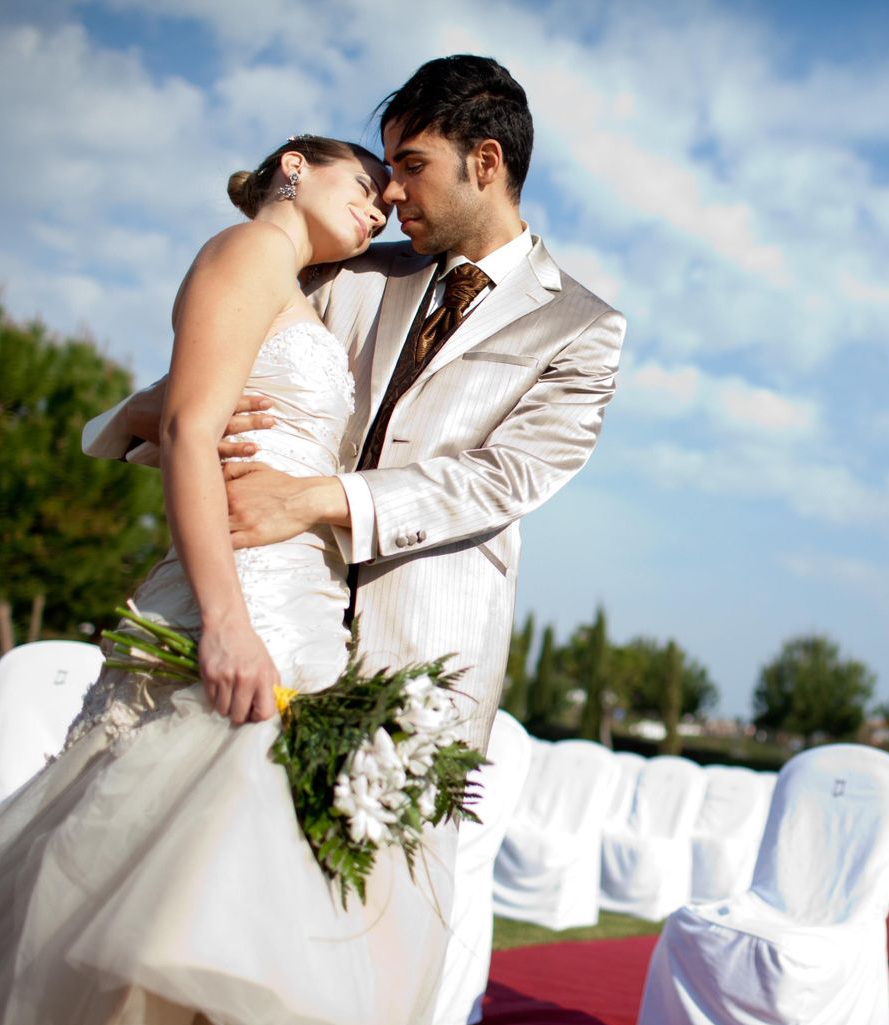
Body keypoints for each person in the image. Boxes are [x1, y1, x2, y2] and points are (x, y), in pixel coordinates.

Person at [0, 137, 453, 1025]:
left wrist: (136, 414)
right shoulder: (245, 248)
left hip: (301, 611)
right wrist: (225, 623)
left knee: (234, 892)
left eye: (389, 199)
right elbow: (184, 427)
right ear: (294, 165)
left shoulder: (295, 286)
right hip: (236, 607)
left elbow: (173, 404)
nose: (379, 210)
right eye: (365, 187)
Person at [86, 54, 626, 758]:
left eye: (412, 165)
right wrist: (131, 419)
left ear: (485, 163)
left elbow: (508, 477)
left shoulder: (583, 326)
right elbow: (214, 376)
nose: (391, 192)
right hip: (262, 606)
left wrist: (316, 499)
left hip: (427, 646)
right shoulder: (343, 268)